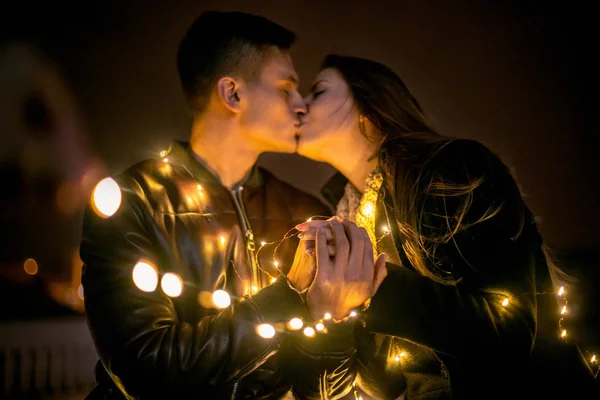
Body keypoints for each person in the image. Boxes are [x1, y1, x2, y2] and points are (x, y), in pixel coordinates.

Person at [80, 12, 382, 400]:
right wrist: (288, 300)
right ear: (233, 94)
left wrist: (334, 321)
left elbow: (320, 392)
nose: (299, 105)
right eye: (286, 89)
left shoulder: (305, 213)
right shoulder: (133, 200)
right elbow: (143, 369)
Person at [294, 55, 600, 399]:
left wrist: (371, 286)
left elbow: (508, 331)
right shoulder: (348, 219)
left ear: (371, 109)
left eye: (317, 92)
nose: (299, 106)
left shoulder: (449, 170)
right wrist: (338, 315)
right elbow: (387, 385)